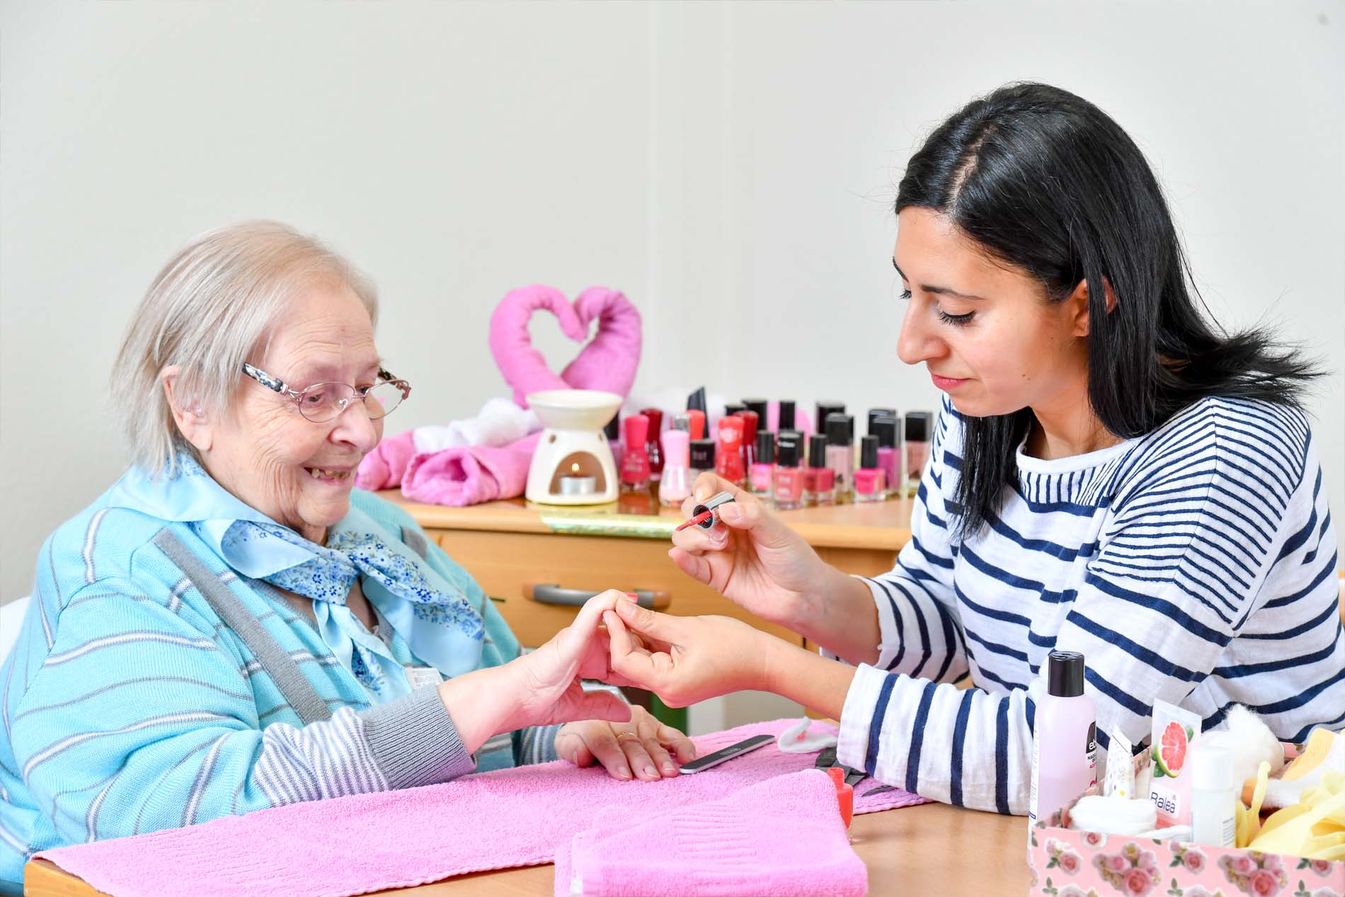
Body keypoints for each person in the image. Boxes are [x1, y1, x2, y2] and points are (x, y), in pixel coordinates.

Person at [605, 82, 1344, 816]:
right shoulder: (988, 407)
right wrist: (809, 596)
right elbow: (952, 621)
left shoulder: (1225, 454)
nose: (912, 344)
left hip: (1254, 850)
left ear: (1088, 301)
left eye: (956, 311)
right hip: (1072, 850)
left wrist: (771, 664)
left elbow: (1053, 757)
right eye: (910, 296)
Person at [0, 222, 693, 884]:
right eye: (314, 394)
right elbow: (168, 821)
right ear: (193, 403)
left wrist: (567, 735)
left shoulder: (377, 533)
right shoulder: (119, 565)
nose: (361, 431)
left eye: (366, 387)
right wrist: (471, 706)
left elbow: (499, 713)